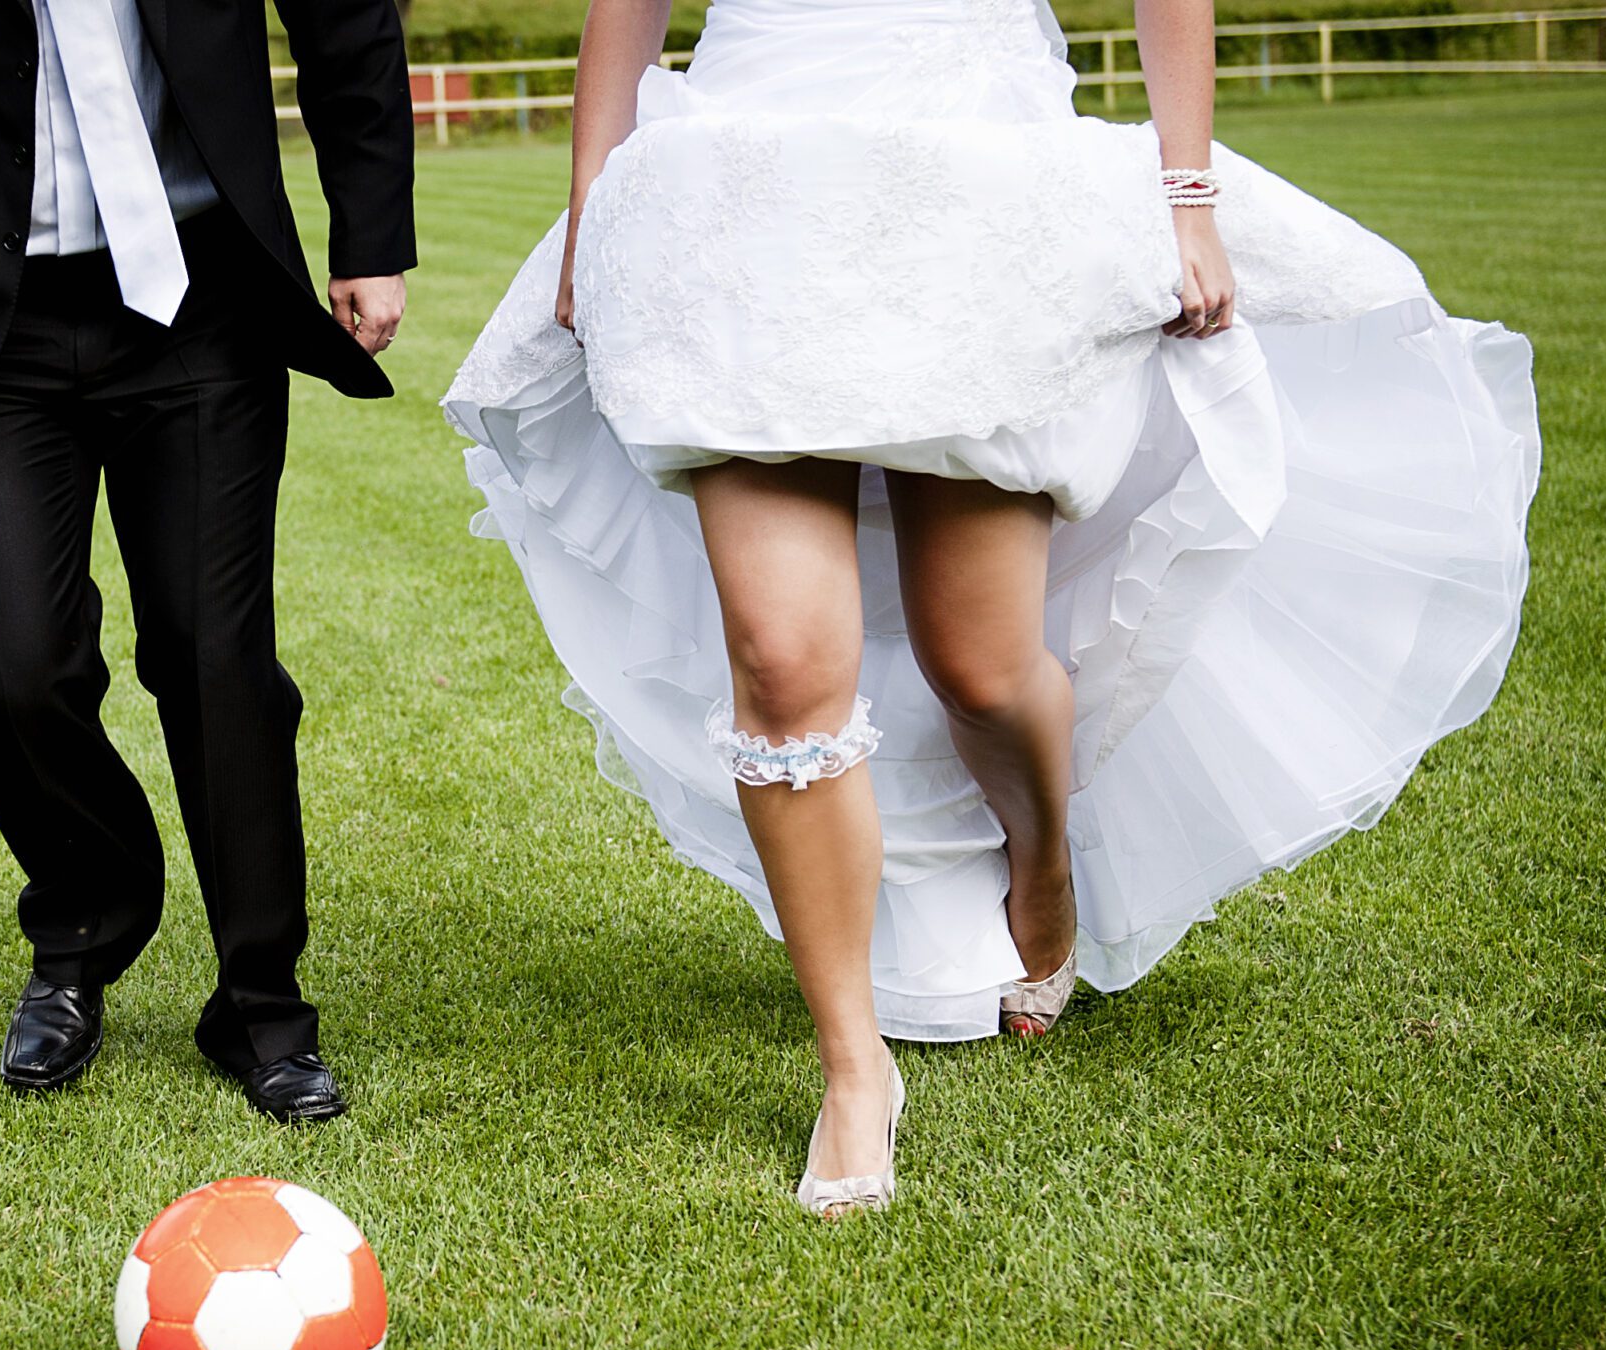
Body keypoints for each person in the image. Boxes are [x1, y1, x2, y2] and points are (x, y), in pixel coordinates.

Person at [445, 0, 1538, 1213]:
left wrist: (1187, 195)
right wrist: (596, 200)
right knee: (780, 656)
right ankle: (853, 1071)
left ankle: (1046, 861)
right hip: (740, 198)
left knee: (981, 661)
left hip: (975, 190)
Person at [0, 0, 415, 1119]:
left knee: (217, 661)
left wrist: (371, 232)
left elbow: (344, 14)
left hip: (202, 305)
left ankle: (262, 1005)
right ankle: (88, 918)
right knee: (14, 668)